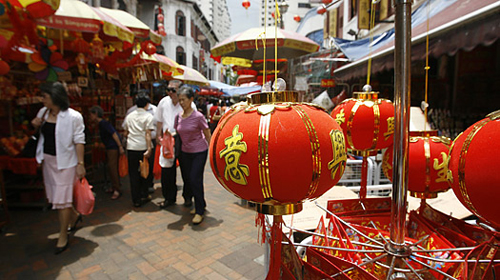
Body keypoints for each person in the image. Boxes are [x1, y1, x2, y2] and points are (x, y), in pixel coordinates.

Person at [31, 82, 85, 254]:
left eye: (45, 96)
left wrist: (80, 164)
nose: (42, 100)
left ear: (55, 96)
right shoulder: (43, 113)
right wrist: (35, 124)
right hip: (49, 161)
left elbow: (79, 141)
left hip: (66, 164)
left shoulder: (73, 117)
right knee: (56, 198)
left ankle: (63, 235)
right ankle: (74, 216)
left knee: (62, 201)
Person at [155, 80, 197, 208]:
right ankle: (169, 198)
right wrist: (158, 135)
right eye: (168, 90)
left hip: (183, 139)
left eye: (173, 90)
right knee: (167, 170)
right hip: (167, 140)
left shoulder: (190, 104)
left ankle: (188, 197)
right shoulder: (163, 102)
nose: (170, 93)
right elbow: (159, 121)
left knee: (186, 170)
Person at [175, 86, 211, 224]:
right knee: (188, 180)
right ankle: (200, 202)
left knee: (195, 179)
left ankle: (199, 211)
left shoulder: (198, 116)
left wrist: (213, 149)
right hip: (185, 152)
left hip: (199, 151)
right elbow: (176, 132)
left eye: (183, 99)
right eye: (179, 100)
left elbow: (207, 133)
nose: (182, 103)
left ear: (191, 99)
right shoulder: (178, 116)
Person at [123, 91, 154, 208]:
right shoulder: (148, 116)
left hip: (131, 147)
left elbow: (125, 133)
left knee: (133, 174)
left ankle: (135, 199)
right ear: (146, 104)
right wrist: (149, 148)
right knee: (144, 172)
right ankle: (144, 194)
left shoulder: (129, 116)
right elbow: (148, 134)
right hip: (143, 147)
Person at [89, 105, 124, 200]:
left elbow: (114, 134)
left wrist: (120, 146)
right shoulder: (101, 124)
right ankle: (114, 186)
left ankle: (117, 188)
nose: (90, 117)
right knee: (110, 167)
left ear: (95, 114)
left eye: (91, 114)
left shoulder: (104, 123)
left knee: (112, 167)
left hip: (112, 147)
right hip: (109, 147)